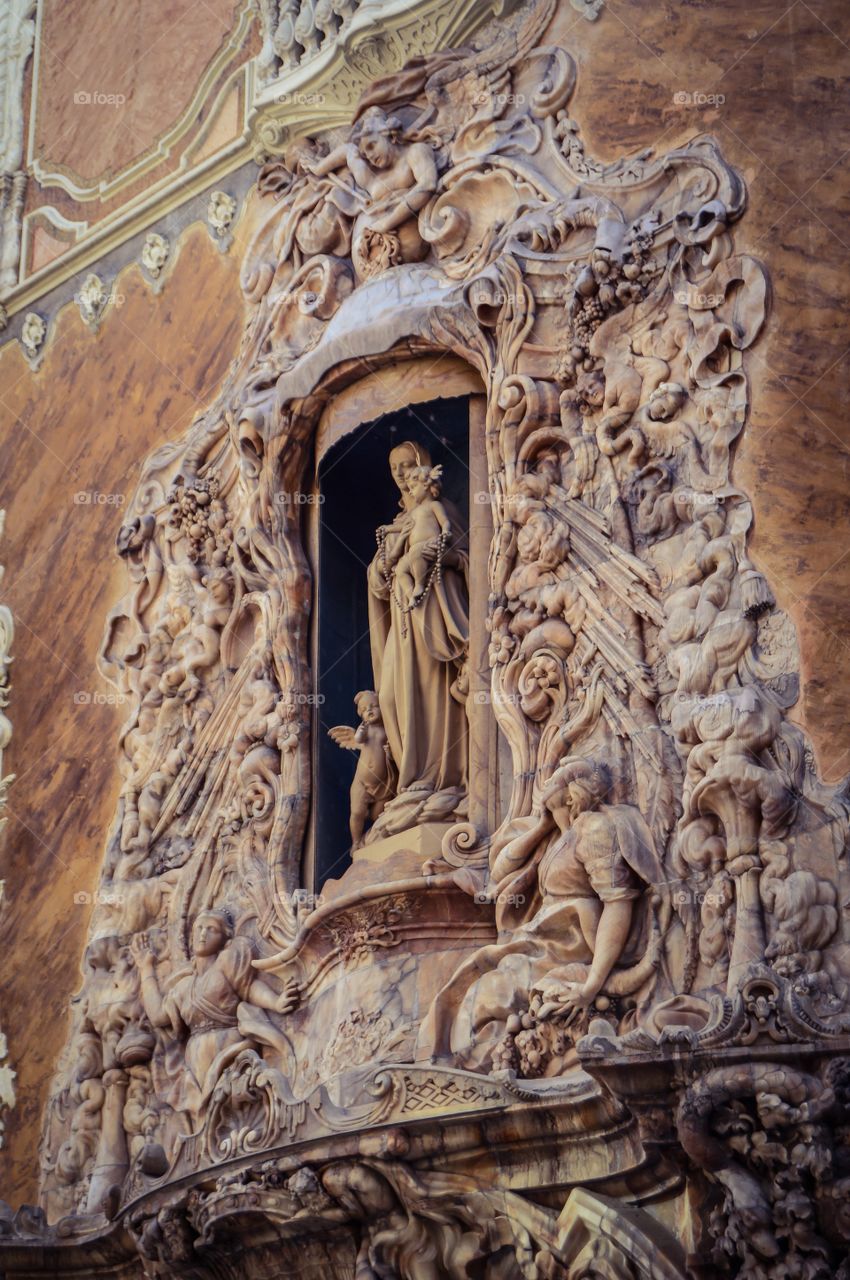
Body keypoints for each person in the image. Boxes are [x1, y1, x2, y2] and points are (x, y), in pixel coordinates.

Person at [365, 442, 468, 800]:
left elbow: (465, 556)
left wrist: (436, 555)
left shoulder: (442, 509)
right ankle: (409, 781)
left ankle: (437, 779)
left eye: (407, 465)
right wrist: (382, 567)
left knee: (428, 689)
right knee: (389, 696)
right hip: (400, 617)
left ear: (422, 466)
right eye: (394, 468)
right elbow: (378, 583)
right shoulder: (396, 524)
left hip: (432, 611)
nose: (400, 474)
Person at [132, 910, 299, 1120]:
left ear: (224, 938)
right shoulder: (184, 987)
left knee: (233, 1110)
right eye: (199, 928)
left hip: (229, 1046)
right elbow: (158, 1016)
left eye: (211, 929)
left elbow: (248, 988)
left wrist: (276, 1002)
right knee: (208, 1119)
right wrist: (146, 968)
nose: (203, 934)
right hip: (196, 1062)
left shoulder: (226, 964)